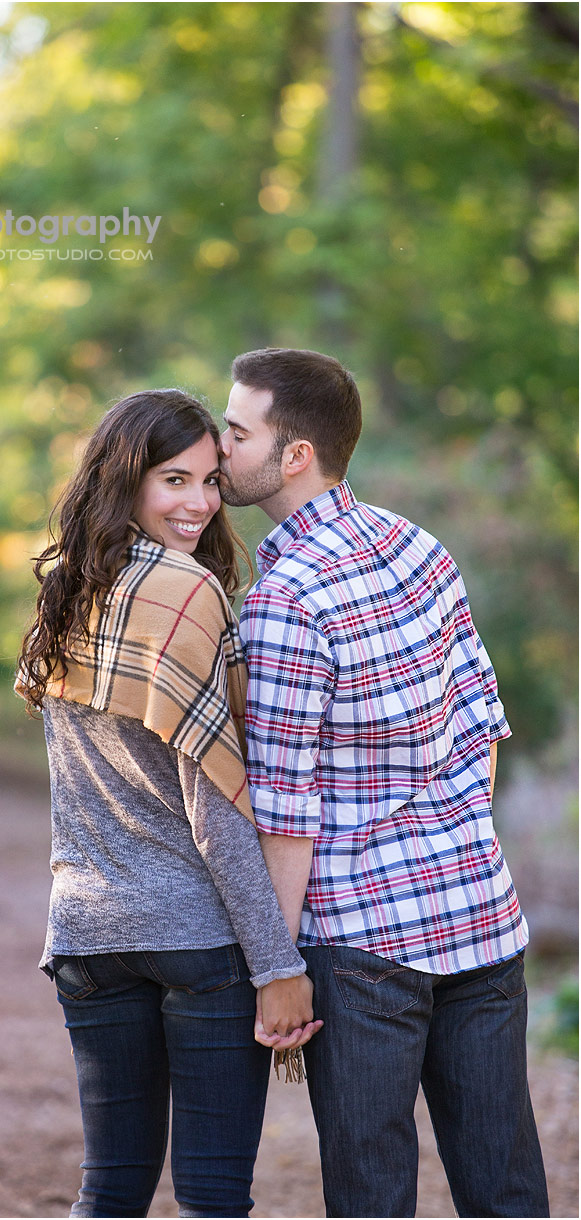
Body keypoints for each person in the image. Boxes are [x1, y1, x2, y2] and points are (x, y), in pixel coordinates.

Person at [218, 348, 549, 1219]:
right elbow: (481, 729)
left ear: (294, 455)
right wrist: (448, 842)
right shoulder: (419, 546)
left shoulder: (285, 600)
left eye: (236, 430)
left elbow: (285, 810)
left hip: (361, 944)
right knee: (506, 1184)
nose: (220, 447)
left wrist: (274, 966)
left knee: (370, 1194)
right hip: (478, 913)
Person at [15, 388, 320, 1220]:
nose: (198, 503)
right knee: (213, 1196)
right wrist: (277, 966)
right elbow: (215, 808)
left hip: (86, 934)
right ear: (127, 479)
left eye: (211, 481)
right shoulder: (187, 593)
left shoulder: (69, 591)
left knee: (108, 1188)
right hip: (195, 939)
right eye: (173, 481)